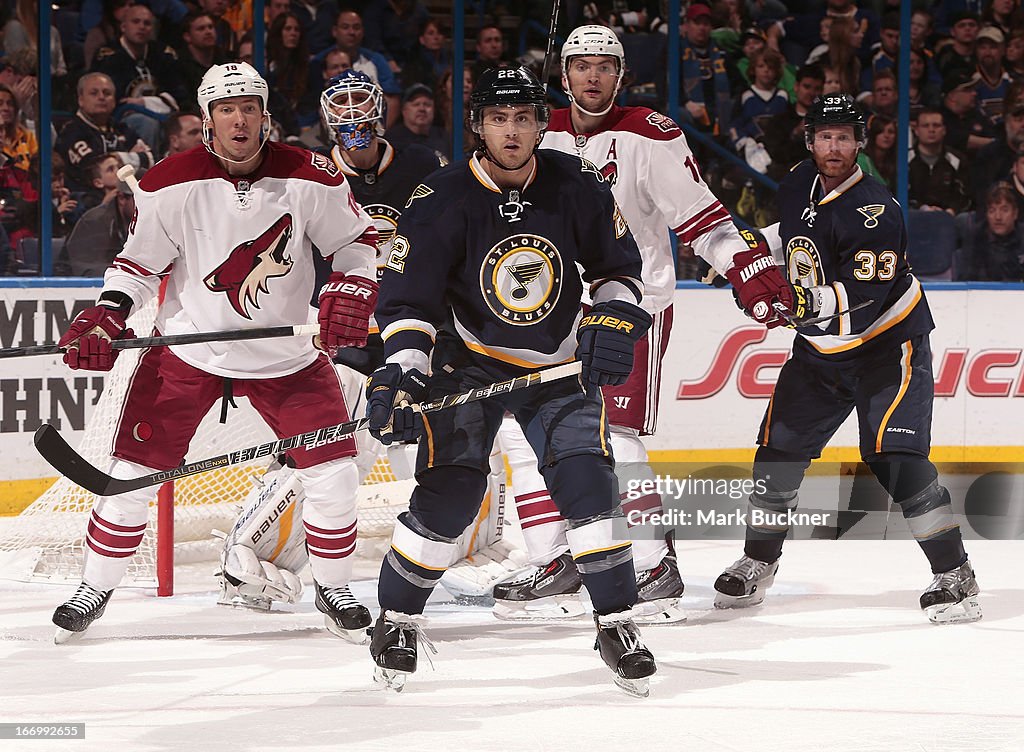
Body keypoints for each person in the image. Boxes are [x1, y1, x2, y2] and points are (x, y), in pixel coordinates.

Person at [49, 62, 381, 644]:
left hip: (288, 356)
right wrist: (109, 312)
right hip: (188, 353)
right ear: (208, 118)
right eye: (226, 108)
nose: (239, 118)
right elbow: (138, 265)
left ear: (264, 113)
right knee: (130, 477)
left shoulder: (313, 175)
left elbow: (356, 245)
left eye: (249, 106)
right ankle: (93, 588)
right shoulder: (166, 182)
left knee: (334, 477)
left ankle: (335, 586)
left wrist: (351, 286)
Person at [364, 65, 660, 695]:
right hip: (465, 360)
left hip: (556, 364)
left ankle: (616, 621)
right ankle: (395, 618)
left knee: (586, 477)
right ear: (478, 126)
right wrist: (405, 368)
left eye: (524, 118)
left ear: (540, 124)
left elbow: (619, 271)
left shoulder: (578, 184)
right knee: (452, 494)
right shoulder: (439, 199)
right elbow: (406, 301)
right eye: (498, 119)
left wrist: (612, 319)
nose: (512, 131)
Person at [488, 24, 776, 624]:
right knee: (524, 435)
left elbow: (702, 218)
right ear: (563, 75)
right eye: (581, 65)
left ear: (621, 76)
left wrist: (745, 264)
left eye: (604, 66)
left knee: (615, 435)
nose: (592, 76)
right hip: (547, 312)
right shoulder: (535, 135)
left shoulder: (650, 133)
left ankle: (652, 564)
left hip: (631, 307)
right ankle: (557, 557)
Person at [711, 94, 982, 626]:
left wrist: (792, 302)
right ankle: (759, 562)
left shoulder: (876, 210)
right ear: (809, 140)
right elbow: (790, 239)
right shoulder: (796, 182)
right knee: (777, 455)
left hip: (886, 345)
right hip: (818, 351)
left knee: (896, 461)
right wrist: (745, 262)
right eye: (824, 136)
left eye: (844, 137)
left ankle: (955, 573)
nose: (833, 147)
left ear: (860, 142)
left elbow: (864, 295)